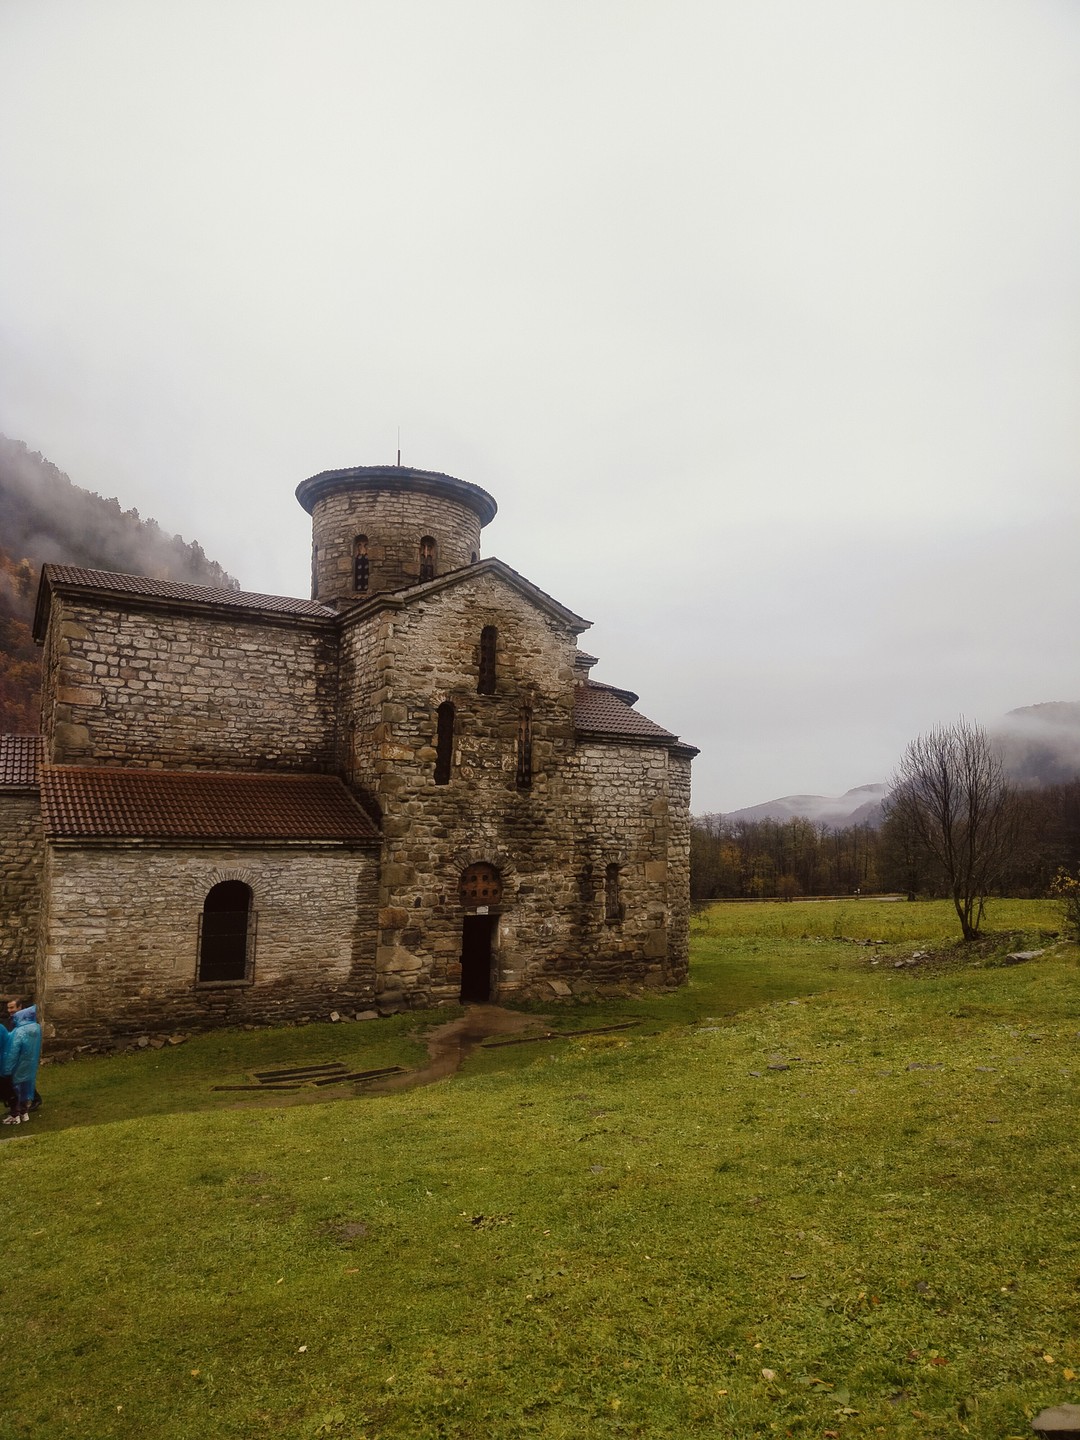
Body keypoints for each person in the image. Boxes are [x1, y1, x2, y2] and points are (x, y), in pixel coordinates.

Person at [4, 1005, 42, 1126]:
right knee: (26, 1088)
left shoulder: (19, 1031)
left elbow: (13, 1051)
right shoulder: (36, 1028)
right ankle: (24, 1113)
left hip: (19, 1064)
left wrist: (6, 1068)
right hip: (30, 1064)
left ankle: (15, 1115)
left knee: (15, 1089)